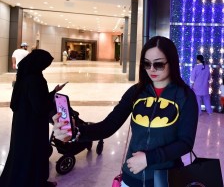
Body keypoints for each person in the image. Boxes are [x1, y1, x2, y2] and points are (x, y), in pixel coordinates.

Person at [52, 36, 198, 187]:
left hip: (166, 178)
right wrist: (75, 132)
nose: (151, 69)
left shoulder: (185, 96)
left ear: (172, 63)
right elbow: (108, 126)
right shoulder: (136, 92)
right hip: (131, 176)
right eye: (146, 64)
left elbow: (185, 143)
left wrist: (149, 158)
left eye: (159, 64)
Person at [0, 49, 66, 187]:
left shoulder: (24, 76)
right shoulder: (35, 79)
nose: (45, 67)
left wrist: (54, 91)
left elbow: (29, 101)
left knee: (22, 153)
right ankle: (37, 182)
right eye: (45, 64)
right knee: (34, 153)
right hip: (33, 126)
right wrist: (52, 101)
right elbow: (40, 106)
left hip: (22, 122)